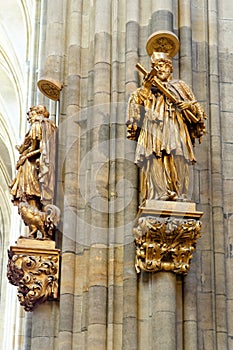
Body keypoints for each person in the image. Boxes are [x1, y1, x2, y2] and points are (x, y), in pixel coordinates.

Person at [126, 51, 207, 203]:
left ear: (171, 68)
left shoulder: (180, 86)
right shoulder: (148, 88)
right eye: (156, 67)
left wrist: (187, 105)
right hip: (153, 129)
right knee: (154, 155)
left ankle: (181, 193)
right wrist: (145, 88)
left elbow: (199, 112)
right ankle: (158, 193)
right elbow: (134, 111)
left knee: (178, 156)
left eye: (163, 66)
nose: (160, 69)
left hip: (175, 126)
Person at [10, 105, 57, 210]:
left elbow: (40, 149)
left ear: (38, 113)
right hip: (33, 164)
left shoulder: (37, 125)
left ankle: (36, 212)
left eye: (31, 114)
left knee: (31, 192)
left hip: (31, 164)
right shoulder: (45, 125)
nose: (28, 117)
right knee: (30, 194)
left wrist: (25, 156)